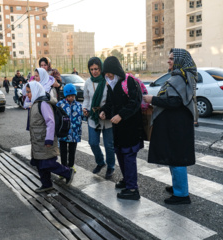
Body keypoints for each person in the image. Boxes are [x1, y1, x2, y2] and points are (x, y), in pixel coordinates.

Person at [143, 48, 196, 205]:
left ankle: (182, 195)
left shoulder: (180, 78)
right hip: (175, 124)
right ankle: (178, 187)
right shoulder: (179, 76)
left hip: (178, 126)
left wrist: (153, 99)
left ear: (179, 61)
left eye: (172, 58)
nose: (169, 61)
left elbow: (175, 102)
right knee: (174, 157)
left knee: (178, 158)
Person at [99, 56, 143, 200]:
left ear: (116, 70)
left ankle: (132, 189)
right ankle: (127, 180)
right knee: (120, 153)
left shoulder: (128, 81)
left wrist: (121, 115)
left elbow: (135, 103)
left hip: (131, 127)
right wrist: (104, 110)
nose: (108, 75)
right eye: (106, 72)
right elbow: (111, 102)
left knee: (129, 155)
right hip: (118, 127)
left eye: (109, 72)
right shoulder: (110, 83)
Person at [26, 81, 75, 192]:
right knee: (40, 164)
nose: (27, 94)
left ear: (35, 91)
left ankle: (68, 172)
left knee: (48, 163)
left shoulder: (43, 104)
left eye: (29, 92)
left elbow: (50, 122)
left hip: (45, 140)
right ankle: (46, 184)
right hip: (38, 141)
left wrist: (49, 139)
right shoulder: (35, 103)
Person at [82, 57, 115, 179]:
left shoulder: (107, 80)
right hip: (93, 117)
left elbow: (112, 100)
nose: (94, 71)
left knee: (109, 145)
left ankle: (111, 167)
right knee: (93, 142)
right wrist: (85, 109)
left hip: (107, 117)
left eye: (96, 69)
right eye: (91, 69)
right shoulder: (88, 82)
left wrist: (106, 111)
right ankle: (101, 162)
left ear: (101, 68)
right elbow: (86, 98)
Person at [56, 84, 83, 171]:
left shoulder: (79, 105)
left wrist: (86, 113)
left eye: (73, 96)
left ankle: (71, 166)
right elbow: (56, 116)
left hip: (74, 132)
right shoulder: (60, 104)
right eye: (69, 96)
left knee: (72, 151)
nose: (71, 98)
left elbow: (83, 116)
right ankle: (64, 167)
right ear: (66, 95)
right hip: (63, 132)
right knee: (63, 151)